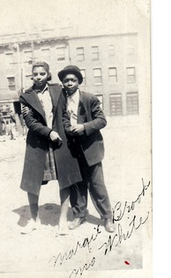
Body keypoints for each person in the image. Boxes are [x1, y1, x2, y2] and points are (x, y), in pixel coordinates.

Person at [19, 61, 82, 235]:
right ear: (32, 75)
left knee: (65, 180)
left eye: (42, 74)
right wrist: (48, 132)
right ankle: (34, 219)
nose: (38, 77)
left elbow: (63, 114)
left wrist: (66, 129)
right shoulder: (26, 96)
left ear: (48, 74)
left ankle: (62, 221)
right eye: (35, 74)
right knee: (32, 182)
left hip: (59, 140)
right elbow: (30, 122)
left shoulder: (58, 90)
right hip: (38, 142)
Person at [58, 65, 115, 233]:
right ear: (62, 83)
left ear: (78, 82)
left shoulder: (89, 99)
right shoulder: (62, 100)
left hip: (90, 148)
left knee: (97, 184)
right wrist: (68, 127)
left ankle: (107, 217)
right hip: (72, 150)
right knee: (77, 184)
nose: (69, 83)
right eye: (66, 80)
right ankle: (79, 215)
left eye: (73, 80)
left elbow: (102, 120)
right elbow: (62, 119)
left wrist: (84, 127)